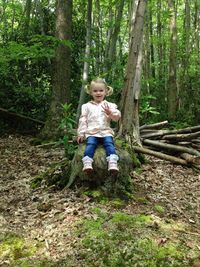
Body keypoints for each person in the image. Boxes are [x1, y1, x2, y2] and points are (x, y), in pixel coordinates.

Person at [77, 78, 121, 174]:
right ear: (90, 92)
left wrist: (110, 113)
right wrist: (81, 133)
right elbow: (83, 120)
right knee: (91, 144)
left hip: (105, 131)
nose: (98, 93)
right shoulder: (86, 106)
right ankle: (87, 162)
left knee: (109, 143)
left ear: (106, 92)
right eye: (95, 91)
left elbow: (117, 117)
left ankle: (112, 162)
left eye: (101, 90)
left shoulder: (109, 105)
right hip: (92, 132)